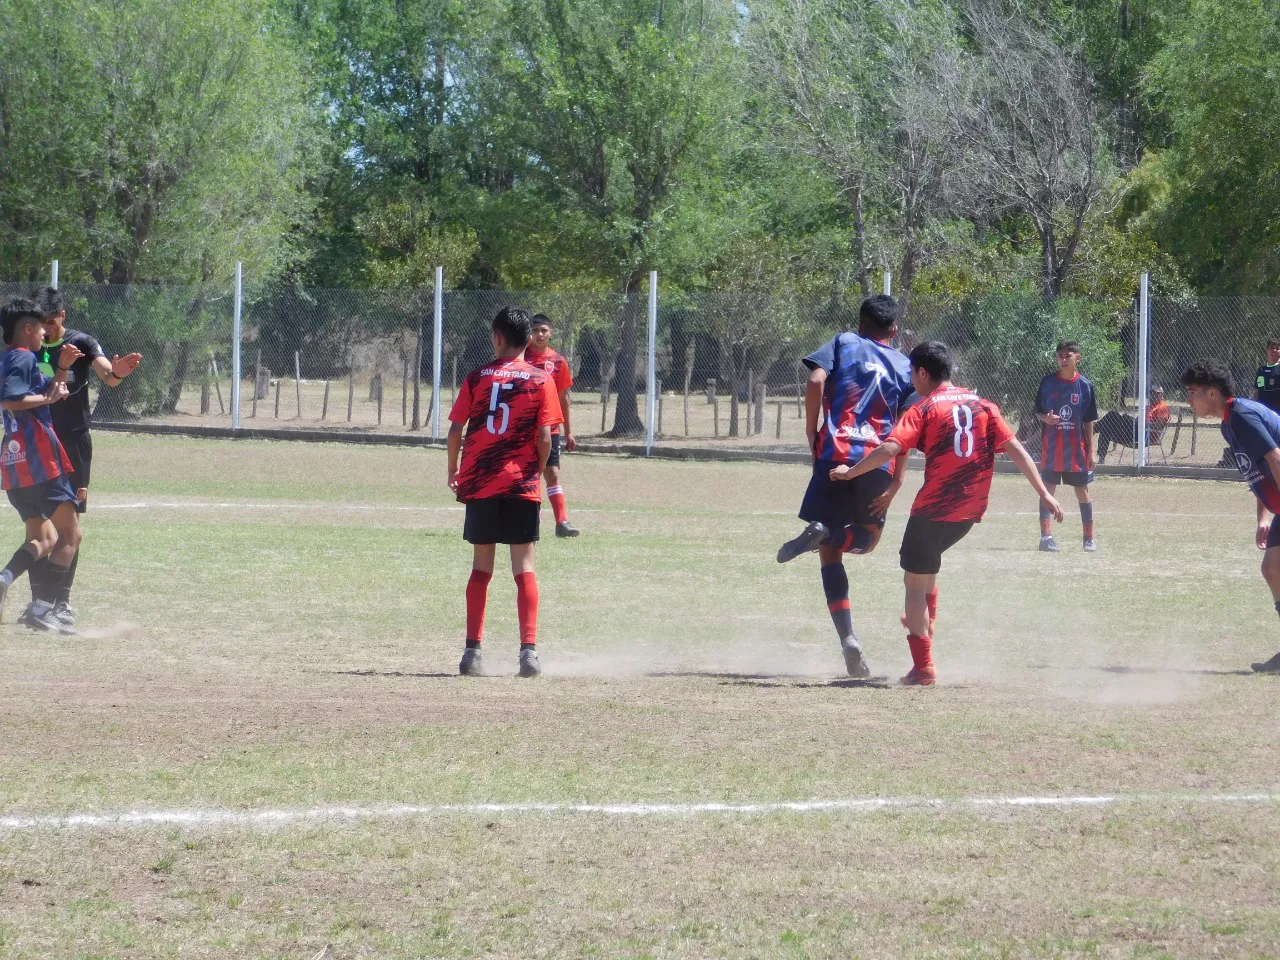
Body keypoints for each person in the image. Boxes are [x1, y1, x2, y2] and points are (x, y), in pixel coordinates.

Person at [831, 341, 1064, 685]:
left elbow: (890, 448)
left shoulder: (923, 409)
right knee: (928, 570)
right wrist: (1044, 492)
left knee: (913, 585)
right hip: (969, 512)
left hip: (933, 510)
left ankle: (923, 667)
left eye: (913, 373)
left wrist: (851, 472)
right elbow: (1014, 448)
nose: (912, 380)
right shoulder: (984, 405)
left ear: (923, 373)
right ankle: (927, 623)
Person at [775, 295, 916, 679]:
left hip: (833, 453)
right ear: (894, 330)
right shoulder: (905, 365)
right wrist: (898, 478)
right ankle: (829, 534)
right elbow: (908, 420)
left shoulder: (842, 342)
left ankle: (849, 639)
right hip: (875, 460)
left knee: (828, 551)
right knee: (867, 541)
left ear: (860, 323)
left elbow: (816, 378)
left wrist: (812, 431)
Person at [447, 306, 563, 678]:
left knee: (481, 568)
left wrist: (454, 471)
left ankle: (472, 652)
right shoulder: (540, 379)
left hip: (481, 482)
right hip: (521, 484)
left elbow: (455, 430)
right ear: (529, 339)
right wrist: (537, 468)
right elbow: (545, 438)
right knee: (524, 567)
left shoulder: (477, 377)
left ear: (496, 337)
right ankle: (528, 652)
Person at [21, 286, 142, 627]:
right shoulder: (27, 348)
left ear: (62, 316)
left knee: (70, 527)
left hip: (73, 444)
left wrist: (116, 372)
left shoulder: (82, 343)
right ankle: (37, 604)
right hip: (37, 445)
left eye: (49, 321)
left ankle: (61, 603)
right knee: (38, 525)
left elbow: (108, 375)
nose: (43, 328)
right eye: (37, 321)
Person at [1179, 360, 1280, 674]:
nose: (1188, 399)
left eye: (1192, 393)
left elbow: (1276, 457)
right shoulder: (1229, 421)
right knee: (1272, 569)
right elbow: (1259, 472)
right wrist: (1263, 516)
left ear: (1212, 393)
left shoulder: (1241, 416)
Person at [0, 298, 84, 634]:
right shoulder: (22, 355)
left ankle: (5, 578)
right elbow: (9, 398)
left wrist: (59, 373)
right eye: (41, 327)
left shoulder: (7, 357)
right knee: (70, 534)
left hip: (15, 462)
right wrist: (49, 399)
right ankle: (42, 610)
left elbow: (28, 393)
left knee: (44, 538)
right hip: (39, 458)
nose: (45, 333)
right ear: (28, 328)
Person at [1033, 341, 1098, 552]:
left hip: (1076, 451)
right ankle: (1046, 538)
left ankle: (1088, 539)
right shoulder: (1047, 382)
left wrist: (1091, 451)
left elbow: (1089, 421)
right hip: (1051, 448)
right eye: (1059, 355)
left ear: (1077, 358)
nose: (1063, 359)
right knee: (1047, 491)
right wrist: (1045, 418)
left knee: (1082, 491)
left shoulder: (1086, 386)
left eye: (1067, 355)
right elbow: (1037, 411)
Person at [525, 313, 579, 538]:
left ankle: (562, 523)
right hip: (525, 427)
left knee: (552, 473)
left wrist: (569, 432)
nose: (539, 334)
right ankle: (530, 522)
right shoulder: (520, 357)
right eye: (535, 330)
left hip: (550, 428)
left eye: (543, 330)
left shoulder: (558, 362)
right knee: (530, 474)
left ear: (550, 333)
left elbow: (563, 397)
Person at [1095, 386, 1171, 462]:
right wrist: (1132, 420)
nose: (1154, 395)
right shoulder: (1148, 407)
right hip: (1133, 431)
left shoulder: (1162, 406)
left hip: (1144, 434)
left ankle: (1094, 429)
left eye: (1157, 393)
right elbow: (1138, 419)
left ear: (1162, 395)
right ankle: (1101, 459)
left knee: (1111, 415)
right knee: (1105, 428)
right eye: (1152, 392)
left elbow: (1159, 426)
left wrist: (1142, 424)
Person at [1254, 337, 1280, 414]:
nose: (1274, 350)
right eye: (1271, 348)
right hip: (1262, 411)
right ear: (1266, 350)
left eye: (1277, 348)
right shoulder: (1261, 370)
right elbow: (1257, 391)